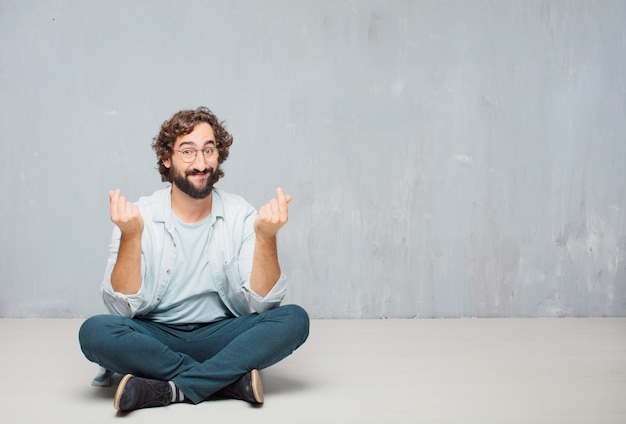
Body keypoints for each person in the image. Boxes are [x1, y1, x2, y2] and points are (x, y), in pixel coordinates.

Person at [78, 106, 309, 413]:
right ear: (166, 159)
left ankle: (170, 389)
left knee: (294, 320)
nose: (200, 163)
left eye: (208, 150)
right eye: (187, 152)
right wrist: (131, 237)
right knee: (95, 333)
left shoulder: (241, 215)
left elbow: (263, 306)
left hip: (222, 334)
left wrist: (267, 237)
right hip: (156, 335)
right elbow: (120, 309)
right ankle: (226, 380)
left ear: (219, 156)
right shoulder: (139, 216)